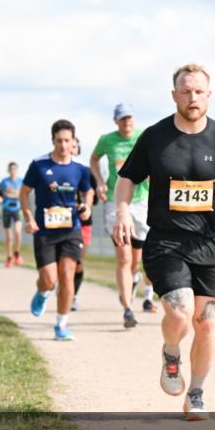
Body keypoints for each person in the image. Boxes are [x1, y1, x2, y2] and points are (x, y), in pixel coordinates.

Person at [114, 63, 215, 420]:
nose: (192, 97)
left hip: (211, 241)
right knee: (181, 311)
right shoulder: (155, 137)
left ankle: (196, 393)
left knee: (207, 321)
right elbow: (128, 178)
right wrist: (122, 209)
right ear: (174, 95)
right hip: (167, 241)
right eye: (185, 91)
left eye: (199, 91)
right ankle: (171, 352)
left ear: (209, 95)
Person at [22, 120, 93, 341]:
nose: (63, 145)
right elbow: (24, 193)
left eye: (67, 140)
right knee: (50, 280)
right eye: (59, 140)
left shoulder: (80, 169)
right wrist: (29, 217)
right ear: (53, 140)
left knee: (67, 276)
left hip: (71, 228)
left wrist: (87, 207)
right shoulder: (39, 165)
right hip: (45, 231)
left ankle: (61, 325)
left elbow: (87, 191)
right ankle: (42, 292)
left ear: (74, 141)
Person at [91, 103, 156, 328]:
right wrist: (99, 182)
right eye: (122, 119)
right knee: (124, 258)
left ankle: (132, 284)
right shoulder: (107, 140)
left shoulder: (144, 136)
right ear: (115, 121)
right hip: (116, 202)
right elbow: (93, 159)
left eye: (130, 118)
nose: (127, 122)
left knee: (137, 260)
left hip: (141, 202)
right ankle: (128, 309)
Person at [70, 136, 98, 311]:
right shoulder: (56, 170)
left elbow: (92, 199)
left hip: (83, 222)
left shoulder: (86, 171)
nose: (69, 148)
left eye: (73, 146)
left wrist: (85, 200)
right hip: (61, 222)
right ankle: (65, 285)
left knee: (78, 261)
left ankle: (73, 295)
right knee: (64, 261)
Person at [1, 162, 24, 267]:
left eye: (15, 169)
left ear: (17, 170)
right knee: (9, 237)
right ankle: (9, 258)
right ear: (8, 170)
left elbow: (22, 194)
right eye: (11, 169)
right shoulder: (4, 182)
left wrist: (14, 194)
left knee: (18, 232)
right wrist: (13, 194)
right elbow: (4, 194)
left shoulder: (21, 181)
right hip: (6, 209)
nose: (13, 171)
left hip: (17, 209)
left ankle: (17, 254)